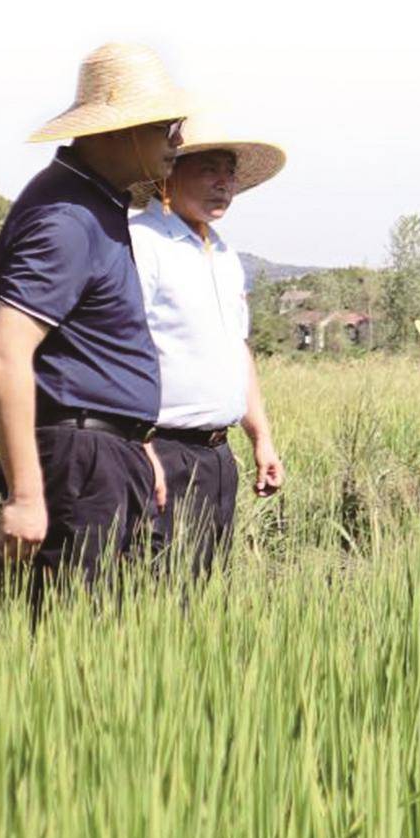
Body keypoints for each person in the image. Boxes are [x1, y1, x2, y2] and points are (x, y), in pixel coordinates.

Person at [0, 43, 197, 598]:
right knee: (66, 633)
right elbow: (4, 355)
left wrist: (136, 439)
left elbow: (92, 352)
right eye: (165, 128)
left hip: (102, 453)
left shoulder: (99, 205)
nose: (178, 142)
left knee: (97, 637)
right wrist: (27, 497)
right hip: (78, 464)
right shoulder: (67, 220)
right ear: (122, 131)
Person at [128, 116, 288, 575]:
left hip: (217, 454)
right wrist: (139, 445)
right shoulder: (144, 242)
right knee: (155, 589)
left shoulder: (223, 253)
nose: (224, 184)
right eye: (209, 169)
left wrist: (262, 438)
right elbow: (123, 348)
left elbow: (237, 349)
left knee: (204, 589)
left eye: (230, 172)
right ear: (168, 173)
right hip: (162, 449)